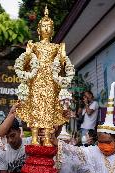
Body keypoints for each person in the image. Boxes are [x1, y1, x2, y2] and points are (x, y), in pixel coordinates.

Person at [15, 6, 74, 146]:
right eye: (44, 26)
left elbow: (62, 65)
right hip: (36, 82)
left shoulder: (56, 47)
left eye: (49, 26)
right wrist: (28, 53)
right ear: (38, 30)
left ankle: (47, 137)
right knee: (36, 108)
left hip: (51, 83)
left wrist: (63, 56)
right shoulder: (34, 46)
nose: (46, 29)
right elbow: (24, 63)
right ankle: (35, 138)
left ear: (52, 30)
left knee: (48, 109)